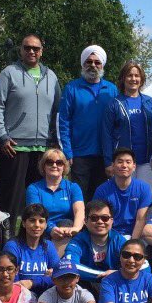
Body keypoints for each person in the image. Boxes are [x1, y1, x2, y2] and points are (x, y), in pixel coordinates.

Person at [0, 34, 61, 220]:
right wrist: (2, 135)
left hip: (42, 148)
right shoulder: (9, 73)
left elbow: (57, 111)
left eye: (35, 48)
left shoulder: (51, 76)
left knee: (37, 202)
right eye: (27, 47)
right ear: (20, 50)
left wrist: (54, 138)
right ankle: (6, 241)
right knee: (10, 201)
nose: (31, 51)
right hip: (14, 146)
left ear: (41, 52)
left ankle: (35, 242)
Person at [58, 45, 118, 199]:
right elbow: (63, 122)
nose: (93, 65)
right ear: (83, 64)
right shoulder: (72, 88)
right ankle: (79, 224)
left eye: (97, 62)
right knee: (79, 197)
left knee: (100, 197)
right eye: (88, 62)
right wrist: (67, 151)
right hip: (79, 154)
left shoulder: (111, 89)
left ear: (102, 65)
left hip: (105, 155)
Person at [101, 61, 152, 186]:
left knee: (150, 197)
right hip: (123, 162)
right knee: (125, 196)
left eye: (137, 76)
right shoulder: (114, 103)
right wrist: (109, 161)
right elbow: (106, 135)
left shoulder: (150, 102)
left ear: (141, 79)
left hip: (146, 160)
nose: (133, 79)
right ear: (123, 78)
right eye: (129, 75)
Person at [25, 147, 84, 251]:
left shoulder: (73, 187)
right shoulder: (34, 188)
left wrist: (76, 228)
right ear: (43, 166)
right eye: (49, 162)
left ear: (64, 166)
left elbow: (79, 211)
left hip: (67, 230)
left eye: (59, 163)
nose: (54, 165)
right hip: (42, 229)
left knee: (65, 224)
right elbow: (35, 214)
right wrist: (51, 229)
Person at [65, 199, 130, 288]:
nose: (100, 221)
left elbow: (144, 266)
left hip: (116, 286)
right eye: (94, 218)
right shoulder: (77, 242)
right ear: (85, 221)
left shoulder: (119, 240)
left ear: (111, 221)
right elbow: (70, 265)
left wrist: (120, 273)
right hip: (85, 287)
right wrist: (107, 275)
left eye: (105, 218)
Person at [93, 148, 152, 238]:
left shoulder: (144, 188)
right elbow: (99, 220)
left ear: (134, 166)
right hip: (109, 236)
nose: (124, 165)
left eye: (128, 162)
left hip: (135, 235)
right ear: (113, 165)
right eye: (120, 162)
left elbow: (140, 219)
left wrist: (132, 244)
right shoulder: (102, 190)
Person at [5, 204, 59, 294]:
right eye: (32, 220)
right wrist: (45, 279)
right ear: (23, 223)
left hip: (45, 298)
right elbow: (12, 279)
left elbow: (58, 277)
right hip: (19, 296)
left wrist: (31, 282)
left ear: (46, 225)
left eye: (41, 221)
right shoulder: (12, 246)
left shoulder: (49, 246)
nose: (37, 225)